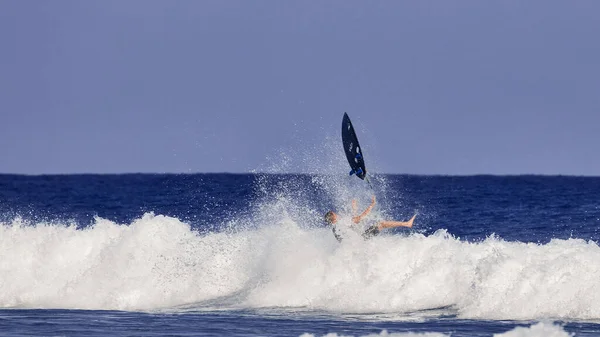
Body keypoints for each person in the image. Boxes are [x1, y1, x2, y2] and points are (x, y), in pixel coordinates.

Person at [324, 195, 416, 242]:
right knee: (381, 224)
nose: (338, 215)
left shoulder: (335, 228)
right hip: (362, 240)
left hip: (355, 245)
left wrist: (354, 209)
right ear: (333, 217)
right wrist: (372, 205)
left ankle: (406, 224)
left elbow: (353, 224)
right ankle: (407, 224)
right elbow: (361, 218)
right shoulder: (342, 222)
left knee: (361, 227)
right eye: (336, 214)